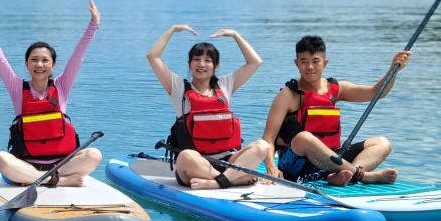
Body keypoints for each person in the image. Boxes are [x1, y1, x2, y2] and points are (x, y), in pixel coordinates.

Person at [0, 0, 101, 187]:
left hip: (62, 164)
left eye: (44, 60)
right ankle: (56, 181)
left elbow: (78, 56)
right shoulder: (17, 88)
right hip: (27, 164)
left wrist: (94, 25)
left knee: (94, 154)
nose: (39, 64)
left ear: (53, 65)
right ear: (26, 64)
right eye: (34, 60)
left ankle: (42, 179)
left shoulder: (62, 86)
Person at [263, 35, 408, 186]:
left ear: (325, 63)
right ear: (296, 64)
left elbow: (376, 93)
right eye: (304, 61)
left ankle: (339, 175)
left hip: (330, 162)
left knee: (382, 143)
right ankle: (362, 176)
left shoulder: (336, 89)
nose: (310, 67)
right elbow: (268, 138)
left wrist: (393, 69)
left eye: (315, 61)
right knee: (304, 138)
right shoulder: (288, 95)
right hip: (296, 167)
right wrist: (270, 167)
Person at [148, 24, 269, 190]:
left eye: (208, 60)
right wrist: (172, 30)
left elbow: (255, 62)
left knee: (263, 146)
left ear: (215, 66)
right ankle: (231, 180)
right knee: (186, 156)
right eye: (196, 59)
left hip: (227, 162)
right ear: (189, 64)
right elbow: (153, 57)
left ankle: (216, 182)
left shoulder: (225, 85)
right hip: (196, 165)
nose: (201, 64)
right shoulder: (178, 88)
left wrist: (235, 35)